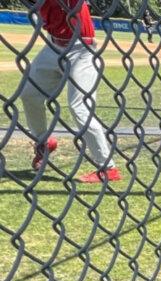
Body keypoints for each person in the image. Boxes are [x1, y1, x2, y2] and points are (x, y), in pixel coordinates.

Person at [21, 0, 122, 183]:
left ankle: (108, 168)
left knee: (79, 107)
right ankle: (43, 142)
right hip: (53, 47)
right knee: (29, 94)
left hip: (82, 50)